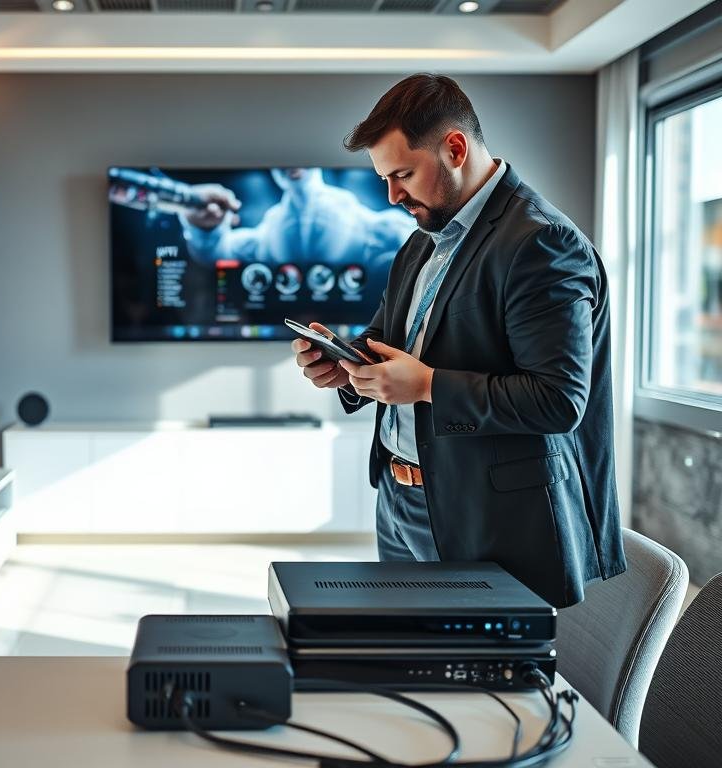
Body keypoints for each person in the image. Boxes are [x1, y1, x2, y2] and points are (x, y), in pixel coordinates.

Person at [291, 74, 625, 608]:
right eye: (383, 178)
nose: (393, 195)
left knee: (476, 684)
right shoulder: (424, 240)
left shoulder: (542, 242)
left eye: (402, 174)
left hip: (486, 516)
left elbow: (559, 400)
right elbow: (390, 342)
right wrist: (346, 366)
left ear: (454, 148)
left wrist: (426, 386)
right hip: (399, 501)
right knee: (408, 664)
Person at [178, 168, 417, 269]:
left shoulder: (365, 221)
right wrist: (201, 226)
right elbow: (215, 255)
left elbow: (420, 241)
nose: (291, 165)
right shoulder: (268, 229)